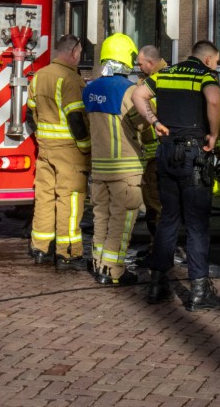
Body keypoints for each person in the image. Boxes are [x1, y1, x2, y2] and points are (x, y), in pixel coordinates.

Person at [131, 39, 220, 311]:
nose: (216, 66)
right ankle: (199, 292)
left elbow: (139, 96)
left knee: (168, 219)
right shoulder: (205, 76)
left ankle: (158, 283)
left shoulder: (165, 74)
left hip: (166, 153)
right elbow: (214, 100)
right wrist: (215, 135)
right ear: (208, 59)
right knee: (196, 224)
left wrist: (155, 122)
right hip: (194, 155)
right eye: (217, 61)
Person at [82, 34, 146, 286]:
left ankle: (98, 263)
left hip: (98, 168)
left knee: (100, 217)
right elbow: (142, 126)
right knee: (121, 220)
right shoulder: (130, 91)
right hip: (126, 170)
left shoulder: (90, 89)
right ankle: (113, 270)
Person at [25, 34, 91, 271]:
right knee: (70, 200)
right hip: (70, 151)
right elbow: (76, 118)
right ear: (74, 51)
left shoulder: (39, 76)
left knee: (44, 197)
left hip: (46, 149)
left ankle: (40, 248)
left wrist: (42, 138)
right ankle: (69, 253)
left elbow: (30, 115)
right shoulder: (70, 79)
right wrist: (85, 147)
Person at [134, 44, 168, 263]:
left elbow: (150, 113)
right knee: (154, 203)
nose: (137, 66)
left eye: (140, 63)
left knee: (156, 204)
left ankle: (159, 251)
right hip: (154, 153)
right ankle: (156, 247)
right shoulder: (155, 78)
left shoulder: (160, 81)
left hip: (156, 153)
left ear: (150, 63)